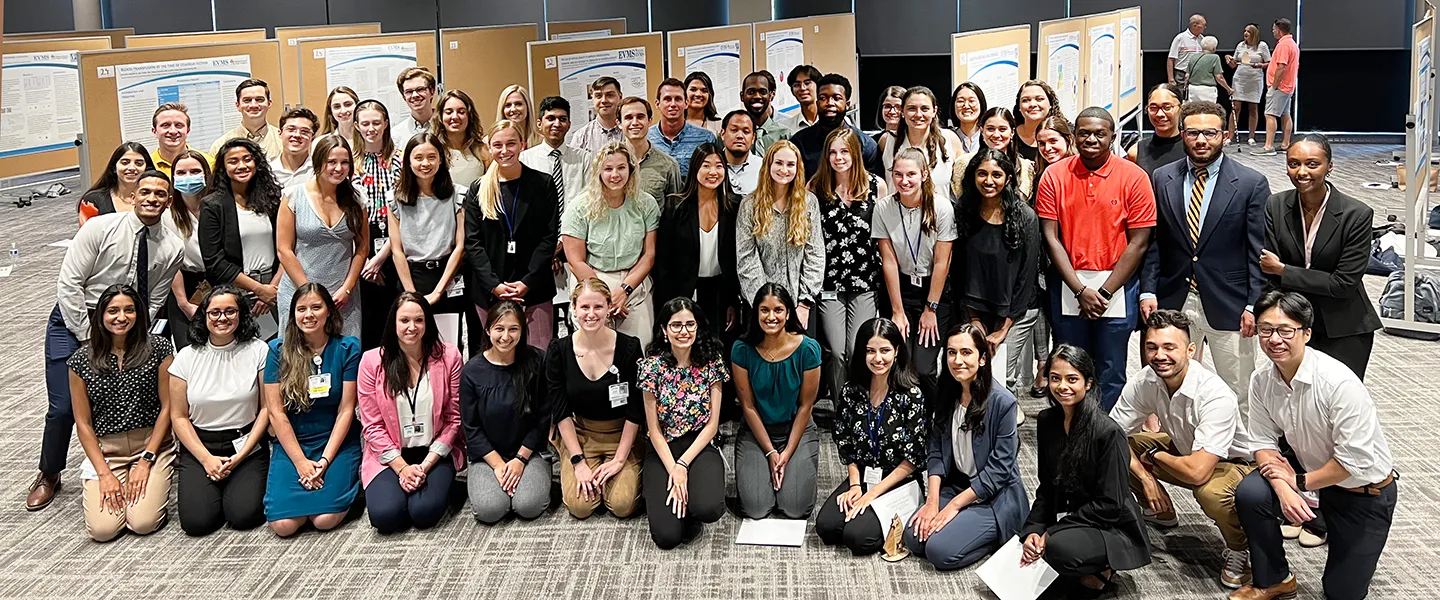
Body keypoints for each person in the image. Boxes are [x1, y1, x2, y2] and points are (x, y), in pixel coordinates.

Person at [33, 170, 182, 513]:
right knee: (63, 407)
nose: (151, 199)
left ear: (168, 201)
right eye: (145, 192)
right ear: (132, 196)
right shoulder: (100, 228)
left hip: (124, 325)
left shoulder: (171, 246)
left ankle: (133, 459)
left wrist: (128, 338)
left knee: (130, 399)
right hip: (75, 322)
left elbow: (153, 302)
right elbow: (69, 284)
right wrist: (89, 340)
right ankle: (49, 473)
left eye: (160, 194)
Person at [1231, 291, 1396, 600]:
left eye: (1285, 330)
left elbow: (1352, 462)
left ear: (1306, 334)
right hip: (1310, 474)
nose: (1274, 339)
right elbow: (1262, 442)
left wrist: (1298, 482)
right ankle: (1273, 579)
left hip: (1362, 492)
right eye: (1266, 330)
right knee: (1251, 493)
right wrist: (1284, 487)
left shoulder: (1338, 383)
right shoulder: (1262, 379)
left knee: (1340, 592)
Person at [1112, 310, 1261, 589]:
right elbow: (1110, 434)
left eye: (1170, 347)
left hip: (1235, 463)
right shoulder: (1146, 380)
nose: (1159, 355)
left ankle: (1239, 549)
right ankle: (1161, 511)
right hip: (1185, 448)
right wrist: (1146, 479)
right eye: (1152, 347)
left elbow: (1197, 473)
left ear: (1191, 350)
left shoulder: (1214, 394)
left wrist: (1156, 456)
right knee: (1116, 449)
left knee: (1210, 492)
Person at [1141, 101, 1270, 407]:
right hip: (1175, 297)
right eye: (1194, 133)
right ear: (1182, 133)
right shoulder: (1162, 177)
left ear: (1225, 135)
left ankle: (1241, 454)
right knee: (1172, 384)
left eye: (1210, 133)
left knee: (1238, 389)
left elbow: (1257, 249)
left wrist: (1254, 303)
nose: (1202, 140)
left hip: (1231, 302)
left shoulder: (1251, 183)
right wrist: (1148, 289)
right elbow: (1156, 241)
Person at [1036, 107, 1156, 411]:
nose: (1091, 138)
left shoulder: (1134, 176)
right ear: (1074, 137)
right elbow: (1051, 237)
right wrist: (1079, 290)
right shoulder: (1054, 175)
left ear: (1112, 137)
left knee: (1111, 368)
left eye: (1099, 133)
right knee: (1069, 366)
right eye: (1084, 133)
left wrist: (1103, 292)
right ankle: (1072, 428)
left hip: (1116, 288)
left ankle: (1103, 433)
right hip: (1068, 286)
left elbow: (1139, 242)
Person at [1020, 344, 1152, 595]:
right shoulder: (1047, 421)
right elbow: (1046, 486)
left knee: (1058, 547)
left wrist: (1052, 532)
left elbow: (1110, 504)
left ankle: (1102, 568)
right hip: (1074, 512)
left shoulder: (1107, 432)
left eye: (1072, 379)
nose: (1062, 387)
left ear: (1088, 384)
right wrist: (1034, 530)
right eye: (1055, 378)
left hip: (1111, 525)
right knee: (1027, 538)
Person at [905, 323, 1028, 570]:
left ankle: (998, 537)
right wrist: (932, 501)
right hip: (958, 484)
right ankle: (964, 529)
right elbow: (937, 449)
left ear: (982, 359)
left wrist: (952, 507)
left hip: (994, 496)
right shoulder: (946, 393)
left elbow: (998, 471)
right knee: (913, 537)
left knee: (938, 550)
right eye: (951, 352)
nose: (957, 360)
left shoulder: (1003, 404)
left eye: (966, 352)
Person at [1261, 134, 1380, 379]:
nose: (1302, 171)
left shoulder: (1356, 214)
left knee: (1340, 404)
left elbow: (1343, 284)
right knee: (1295, 400)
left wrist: (1284, 270)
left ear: (1329, 166)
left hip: (1344, 326)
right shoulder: (1276, 205)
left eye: (1312, 164)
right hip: (1292, 324)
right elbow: (1267, 272)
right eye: (1294, 163)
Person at [70, 284, 176, 541]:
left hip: (152, 445)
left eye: (129, 310)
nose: (121, 317)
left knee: (142, 522)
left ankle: (147, 476)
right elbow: (82, 423)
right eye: (113, 311)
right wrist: (104, 474)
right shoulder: (80, 360)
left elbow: (168, 407)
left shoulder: (159, 349)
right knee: (103, 530)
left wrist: (147, 459)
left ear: (139, 314)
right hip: (108, 451)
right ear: (100, 316)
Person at [816, 318, 926, 555]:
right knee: (827, 527)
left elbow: (913, 457)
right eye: (871, 351)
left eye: (885, 350)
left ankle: (907, 513)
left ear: (897, 351)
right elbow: (846, 444)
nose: (878, 358)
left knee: (857, 538)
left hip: (899, 480)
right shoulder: (851, 391)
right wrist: (856, 486)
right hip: (865, 476)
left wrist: (872, 495)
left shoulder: (911, 394)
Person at [357, 292, 464, 533]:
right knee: (386, 517)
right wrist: (402, 468)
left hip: (434, 453)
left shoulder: (449, 356)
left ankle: (440, 483)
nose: (412, 328)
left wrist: (424, 466)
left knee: (424, 513)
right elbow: (371, 426)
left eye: (419, 320)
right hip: (390, 456)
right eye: (404, 320)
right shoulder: (372, 361)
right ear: (393, 323)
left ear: (428, 322)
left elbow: (453, 418)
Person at [262, 283, 363, 537]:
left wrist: (324, 461)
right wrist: (301, 463)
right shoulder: (277, 351)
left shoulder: (348, 348)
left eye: (316, 307)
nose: (308, 315)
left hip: (335, 441)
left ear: (329, 311)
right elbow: (276, 413)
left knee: (324, 520)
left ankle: (348, 488)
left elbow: (346, 410)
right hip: (293, 442)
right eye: (301, 309)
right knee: (283, 526)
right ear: (293, 313)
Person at [169, 285, 270, 535]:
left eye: (230, 311)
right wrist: (206, 459)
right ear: (204, 316)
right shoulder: (186, 357)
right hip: (200, 446)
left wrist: (242, 454)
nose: (222, 318)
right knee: (197, 523)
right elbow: (178, 416)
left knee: (244, 516)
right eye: (214, 312)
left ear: (241, 315)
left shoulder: (259, 351)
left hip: (246, 444)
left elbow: (267, 409)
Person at [547, 278, 645, 519]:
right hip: (580, 435)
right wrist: (578, 462)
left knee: (622, 505)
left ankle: (629, 466)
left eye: (598, 307)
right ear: (574, 308)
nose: (591, 314)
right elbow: (560, 411)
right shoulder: (558, 351)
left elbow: (635, 410)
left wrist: (620, 459)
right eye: (585, 307)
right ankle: (573, 460)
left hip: (622, 434)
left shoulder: (630, 348)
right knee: (581, 507)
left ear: (609, 307)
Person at [638, 298, 730, 548]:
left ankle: (692, 500)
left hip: (699, 444)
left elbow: (713, 424)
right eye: (676, 325)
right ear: (665, 330)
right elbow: (653, 430)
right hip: (663, 447)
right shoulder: (651, 367)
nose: (684, 331)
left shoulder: (712, 362)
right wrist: (674, 468)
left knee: (709, 508)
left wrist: (683, 465)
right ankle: (679, 502)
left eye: (690, 324)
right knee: (667, 538)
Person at [953, 148, 1041, 404]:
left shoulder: (1026, 216)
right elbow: (959, 271)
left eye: (996, 174)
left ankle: (1006, 426)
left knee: (1002, 377)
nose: (988, 181)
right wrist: (975, 319)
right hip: (974, 308)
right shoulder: (964, 212)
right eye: (982, 174)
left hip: (1015, 311)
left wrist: (1004, 328)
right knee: (970, 372)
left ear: (1009, 179)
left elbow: (1026, 277)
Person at [732, 283, 822, 519]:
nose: (771, 317)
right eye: (764, 310)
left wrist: (787, 452)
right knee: (757, 508)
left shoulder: (808, 349)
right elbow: (748, 406)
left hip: (796, 429)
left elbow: (805, 406)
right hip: (757, 430)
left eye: (778, 310)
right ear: (756, 313)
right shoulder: (741, 349)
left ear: (788, 313)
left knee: (794, 508)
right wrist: (771, 452)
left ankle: (794, 469)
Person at [468, 119, 562, 346]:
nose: (504, 150)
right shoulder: (478, 188)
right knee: (496, 360)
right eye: (497, 145)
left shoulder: (543, 184)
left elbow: (548, 238)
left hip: (534, 288)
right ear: (489, 147)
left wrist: (527, 282)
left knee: (538, 358)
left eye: (511, 144)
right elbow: (473, 243)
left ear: (522, 144)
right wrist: (495, 285)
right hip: (490, 291)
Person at [874, 147, 956, 401]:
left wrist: (930, 309)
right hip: (901, 290)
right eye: (898, 174)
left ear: (924, 175)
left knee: (923, 367)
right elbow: (888, 262)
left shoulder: (942, 208)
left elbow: (943, 262)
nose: (904, 181)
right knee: (901, 363)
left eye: (911, 174)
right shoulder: (883, 207)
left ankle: (934, 419)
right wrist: (897, 311)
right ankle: (906, 421)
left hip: (935, 292)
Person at [811, 128, 887, 399]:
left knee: (858, 348)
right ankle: (841, 405)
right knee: (835, 348)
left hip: (865, 280)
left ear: (855, 153)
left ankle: (860, 400)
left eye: (844, 151)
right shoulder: (816, 187)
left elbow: (883, 237)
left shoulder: (876, 185)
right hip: (829, 281)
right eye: (832, 152)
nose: (838, 157)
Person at [561, 141, 660, 346]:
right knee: (595, 350)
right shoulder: (579, 207)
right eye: (608, 168)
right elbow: (575, 261)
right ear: (598, 172)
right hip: (592, 282)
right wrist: (604, 298)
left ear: (631, 169)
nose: (615, 174)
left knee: (639, 347)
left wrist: (624, 290)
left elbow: (648, 255)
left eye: (621, 167)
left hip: (633, 283)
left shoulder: (646, 203)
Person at [461, 299, 551, 524]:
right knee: (490, 510)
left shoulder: (537, 360)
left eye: (513, 329)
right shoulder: (472, 371)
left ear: (522, 331)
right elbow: (470, 427)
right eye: (499, 329)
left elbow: (542, 418)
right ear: (488, 329)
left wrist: (520, 459)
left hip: (529, 453)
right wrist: (499, 466)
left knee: (528, 506)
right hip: (487, 456)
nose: (505, 336)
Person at [276, 135, 368, 339]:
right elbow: (284, 250)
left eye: (345, 162)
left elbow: (362, 248)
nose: (339, 168)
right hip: (299, 293)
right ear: (318, 162)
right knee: (297, 359)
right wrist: (309, 293)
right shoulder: (293, 195)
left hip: (342, 296)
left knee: (343, 359)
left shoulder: (356, 198)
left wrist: (348, 287)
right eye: (332, 162)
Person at [654, 143, 743, 341]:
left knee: (718, 348)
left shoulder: (734, 206)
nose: (713, 172)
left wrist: (732, 302)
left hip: (720, 292)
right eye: (706, 165)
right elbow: (664, 263)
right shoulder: (675, 206)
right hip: (684, 291)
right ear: (695, 168)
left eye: (719, 166)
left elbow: (735, 260)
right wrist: (669, 305)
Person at [388, 132, 469, 347]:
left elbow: (460, 246)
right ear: (408, 161)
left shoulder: (458, 194)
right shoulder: (396, 198)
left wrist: (439, 291)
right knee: (412, 344)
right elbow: (397, 250)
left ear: (441, 159)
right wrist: (412, 294)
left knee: (449, 345)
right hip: (411, 277)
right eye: (419, 157)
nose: (426, 163)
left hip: (447, 277)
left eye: (432, 157)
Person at [520, 97, 592, 336]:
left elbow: (588, 205)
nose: (556, 124)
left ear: (570, 123)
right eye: (550, 118)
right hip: (539, 254)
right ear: (539, 123)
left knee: (579, 321)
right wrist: (548, 248)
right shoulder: (525, 160)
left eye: (562, 119)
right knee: (542, 326)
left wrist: (563, 245)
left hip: (578, 249)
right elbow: (527, 213)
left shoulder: (584, 159)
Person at [735, 140, 825, 328]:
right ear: (768, 164)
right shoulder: (749, 205)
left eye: (790, 164)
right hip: (761, 307)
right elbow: (746, 259)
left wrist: (805, 302)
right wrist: (768, 307)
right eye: (779, 163)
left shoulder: (809, 202)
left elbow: (815, 253)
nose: (784, 169)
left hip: (800, 304)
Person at [200, 139, 283, 327]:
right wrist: (259, 289)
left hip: (276, 288)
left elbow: (287, 247)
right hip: (236, 291)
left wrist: (272, 289)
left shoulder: (272, 199)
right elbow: (214, 262)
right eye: (233, 161)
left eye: (247, 159)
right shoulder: (212, 205)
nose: (242, 166)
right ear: (223, 167)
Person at [351, 100, 404, 349]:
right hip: (361, 242)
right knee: (369, 316)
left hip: (398, 240)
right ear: (356, 126)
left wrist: (380, 258)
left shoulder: (402, 160)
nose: (371, 128)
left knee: (396, 309)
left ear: (385, 124)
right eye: (365, 123)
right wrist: (367, 259)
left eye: (376, 122)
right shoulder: (350, 162)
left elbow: (408, 214)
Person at [790, 73, 881, 180]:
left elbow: (874, 185)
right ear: (817, 103)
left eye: (837, 98)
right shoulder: (799, 142)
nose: (830, 103)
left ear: (847, 105)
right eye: (823, 98)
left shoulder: (865, 144)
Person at [163, 150, 212, 348]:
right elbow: (171, 263)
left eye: (195, 171)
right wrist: (184, 303)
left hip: (218, 280)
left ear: (206, 174)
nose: (188, 177)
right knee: (188, 347)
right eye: (181, 173)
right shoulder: (167, 216)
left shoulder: (218, 207)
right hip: (183, 286)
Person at [882, 86, 964, 201]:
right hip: (897, 216)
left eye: (924, 109)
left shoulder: (950, 139)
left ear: (934, 111)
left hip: (939, 217)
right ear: (902, 111)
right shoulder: (887, 140)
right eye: (912, 108)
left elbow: (962, 186)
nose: (918, 114)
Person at [956, 107, 1037, 199]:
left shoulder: (1025, 167)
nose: (996, 135)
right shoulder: (964, 163)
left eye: (1002, 129)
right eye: (990, 129)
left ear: (1012, 132)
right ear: (982, 131)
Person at [619, 96, 683, 202]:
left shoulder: (669, 165)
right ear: (619, 123)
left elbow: (675, 210)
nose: (635, 122)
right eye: (628, 117)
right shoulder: (608, 164)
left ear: (649, 121)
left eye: (640, 117)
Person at [650, 77, 718, 176]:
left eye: (678, 99)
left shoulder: (706, 138)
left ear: (686, 103)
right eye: (667, 99)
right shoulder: (647, 138)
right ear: (657, 103)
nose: (673, 104)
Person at [78, 142, 154, 224]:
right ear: (114, 167)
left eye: (139, 163)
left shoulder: (156, 199)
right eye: (125, 163)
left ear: (147, 169)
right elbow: (87, 235)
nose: (132, 168)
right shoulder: (92, 201)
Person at [1255, 19, 1299, 156]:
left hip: (1280, 87)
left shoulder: (1284, 46)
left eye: (1274, 29)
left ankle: (1268, 146)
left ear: (1279, 30)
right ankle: (1285, 144)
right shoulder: (1291, 44)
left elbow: (1281, 67)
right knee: (1285, 114)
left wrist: (1274, 86)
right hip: (1288, 87)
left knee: (1270, 114)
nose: (1272, 31)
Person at [209, 79, 281, 158]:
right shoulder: (220, 145)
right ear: (238, 105)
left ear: (269, 103)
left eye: (259, 99)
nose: (254, 105)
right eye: (247, 100)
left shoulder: (282, 141)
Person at [432, 89, 488, 189]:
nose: (455, 117)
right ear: (440, 117)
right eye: (449, 112)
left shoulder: (482, 149)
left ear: (469, 116)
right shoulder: (433, 150)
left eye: (461, 112)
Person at [1227, 24, 1272, 146]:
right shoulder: (1240, 45)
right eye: (1245, 31)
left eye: (1249, 32)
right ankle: (1230, 136)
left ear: (1254, 34)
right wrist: (1230, 61)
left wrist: (1260, 65)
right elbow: (1235, 64)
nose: (1245, 33)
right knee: (1235, 107)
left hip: (1255, 79)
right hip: (1240, 78)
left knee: (1253, 107)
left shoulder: (1262, 46)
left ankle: (1251, 136)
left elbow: (1269, 62)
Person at [1127, 84, 1187, 176]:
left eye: (1167, 108)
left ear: (1181, 109)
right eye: (1153, 108)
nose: (1159, 114)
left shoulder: (1192, 149)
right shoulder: (1136, 152)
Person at [150, 103, 213, 176]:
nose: (173, 131)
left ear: (188, 130)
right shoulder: (145, 165)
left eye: (178, 125)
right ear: (154, 131)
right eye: (165, 125)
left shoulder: (209, 163)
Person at [741, 71, 794, 154]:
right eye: (751, 92)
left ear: (771, 96)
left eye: (763, 92)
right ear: (742, 97)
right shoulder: (734, 135)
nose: (757, 96)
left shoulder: (785, 134)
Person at [1013, 81, 1064, 163]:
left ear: (1050, 103)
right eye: (1026, 100)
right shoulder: (1010, 136)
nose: (1032, 104)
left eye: (1039, 99)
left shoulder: (1066, 133)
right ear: (1019, 106)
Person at [570, 76, 624, 153]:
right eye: (598, 96)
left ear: (620, 97)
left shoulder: (630, 130)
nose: (604, 100)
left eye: (610, 95)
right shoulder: (581, 136)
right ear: (592, 98)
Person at [268, 107, 318, 190]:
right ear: (280, 133)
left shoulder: (318, 170)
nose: (297, 135)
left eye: (304, 131)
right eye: (291, 129)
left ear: (312, 138)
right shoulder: (268, 171)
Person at [720, 110, 764, 197]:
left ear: (753, 138)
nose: (740, 136)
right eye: (734, 130)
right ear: (723, 134)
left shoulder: (764, 167)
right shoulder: (711, 166)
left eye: (746, 131)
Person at [392, 67, 438, 146]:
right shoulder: (395, 135)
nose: (415, 95)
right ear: (403, 97)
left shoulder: (446, 127)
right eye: (409, 92)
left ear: (432, 91)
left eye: (420, 89)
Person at [1168, 14, 1208, 99]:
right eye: (1203, 25)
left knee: (1195, 99)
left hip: (1197, 76)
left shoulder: (1203, 39)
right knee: (1181, 97)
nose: (1205, 27)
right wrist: (1171, 78)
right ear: (1195, 25)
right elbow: (1171, 59)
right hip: (1181, 74)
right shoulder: (1180, 38)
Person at [1186, 37, 1232, 106]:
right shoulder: (1215, 57)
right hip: (1207, 91)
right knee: (1208, 112)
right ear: (1214, 48)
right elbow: (1219, 77)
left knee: (1194, 111)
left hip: (1193, 89)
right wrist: (1228, 89)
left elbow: (1187, 76)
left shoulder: (1193, 57)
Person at [949, 82, 987, 154]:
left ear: (981, 104)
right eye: (961, 101)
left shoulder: (989, 137)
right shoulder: (947, 139)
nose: (966, 106)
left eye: (972, 101)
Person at [784, 65, 822, 129]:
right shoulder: (787, 128)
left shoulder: (832, 121)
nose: (802, 88)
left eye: (807, 83)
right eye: (797, 85)